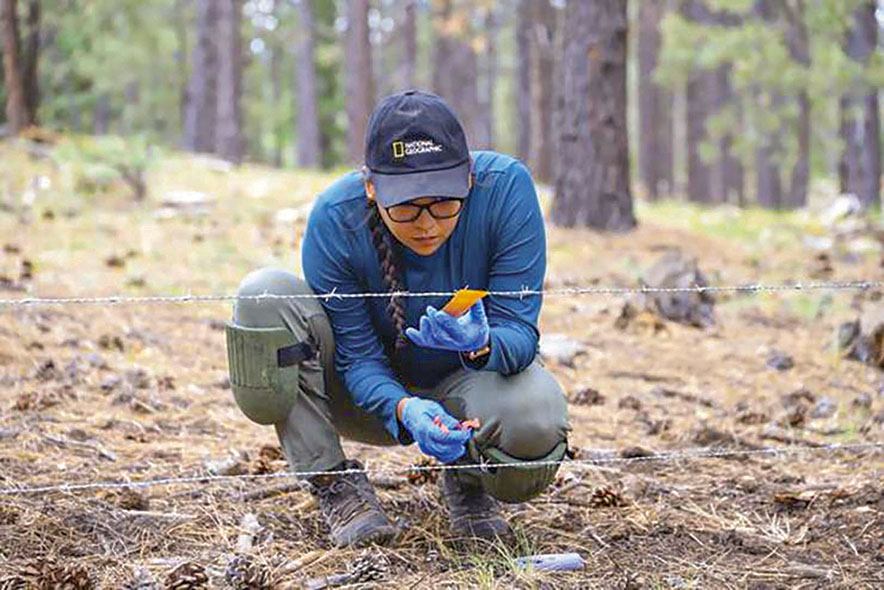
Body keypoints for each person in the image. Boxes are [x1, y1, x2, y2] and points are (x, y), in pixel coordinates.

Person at [225, 90, 570, 548]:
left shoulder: (505, 190)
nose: (427, 223)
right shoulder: (335, 216)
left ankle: (469, 479)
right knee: (264, 293)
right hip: (358, 396)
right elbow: (357, 357)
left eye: (445, 203)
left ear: (468, 178)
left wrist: (481, 345)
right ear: (371, 187)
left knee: (535, 416)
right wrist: (403, 408)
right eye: (405, 207)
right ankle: (336, 487)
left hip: (468, 386)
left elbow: (522, 336)